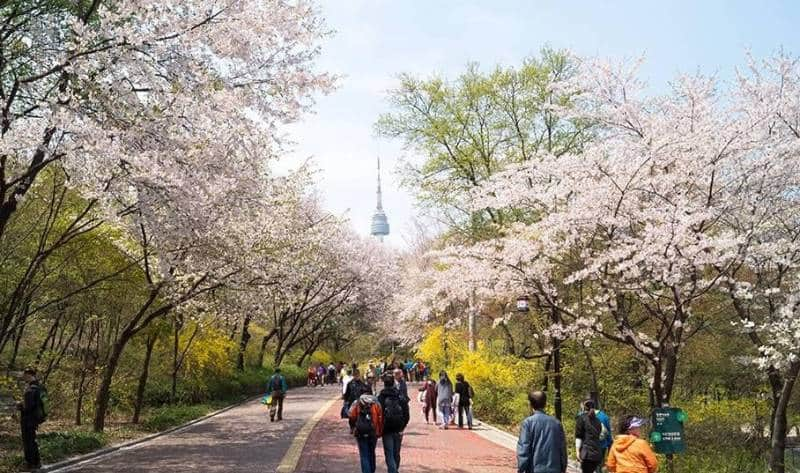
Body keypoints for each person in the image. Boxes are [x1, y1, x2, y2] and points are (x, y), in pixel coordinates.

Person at [517, 390, 568, 473]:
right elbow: (562, 449)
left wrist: (521, 468)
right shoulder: (557, 423)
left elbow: (524, 448)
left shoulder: (528, 423)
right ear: (545, 404)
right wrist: (563, 467)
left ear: (530, 404)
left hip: (534, 469)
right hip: (555, 469)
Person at [378, 374, 410, 473]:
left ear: (384, 383)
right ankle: (395, 469)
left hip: (386, 429)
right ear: (393, 383)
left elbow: (378, 413)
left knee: (389, 453)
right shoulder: (400, 395)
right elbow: (406, 413)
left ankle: (393, 470)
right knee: (396, 452)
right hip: (398, 428)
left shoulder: (381, 397)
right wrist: (403, 426)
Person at [16, 367, 44, 471]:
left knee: (28, 442)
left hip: (28, 420)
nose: (23, 377)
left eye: (24, 375)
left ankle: (30, 464)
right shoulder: (38, 386)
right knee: (32, 440)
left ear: (29, 375)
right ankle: (36, 462)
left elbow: (28, 407)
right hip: (34, 419)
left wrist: (19, 406)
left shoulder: (31, 389)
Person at [349, 393, 384, 473]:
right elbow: (380, 418)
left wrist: (353, 427)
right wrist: (379, 431)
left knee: (364, 455)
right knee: (372, 452)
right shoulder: (376, 403)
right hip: (373, 432)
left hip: (360, 432)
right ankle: (372, 470)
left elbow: (351, 415)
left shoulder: (357, 402)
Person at [575, 400, 604, 473]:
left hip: (587, 454)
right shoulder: (598, 421)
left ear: (584, 407)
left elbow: (579, 436)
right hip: (597, 454)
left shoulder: (581, 418)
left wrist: (577, 451)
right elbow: (599, 435)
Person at [595, 403, 613, 473]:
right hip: (602, 445)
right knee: (599, 465)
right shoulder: (604, 416)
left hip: (588, 446)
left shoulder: (583, 415)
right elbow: (608, 433)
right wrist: (610, 445)